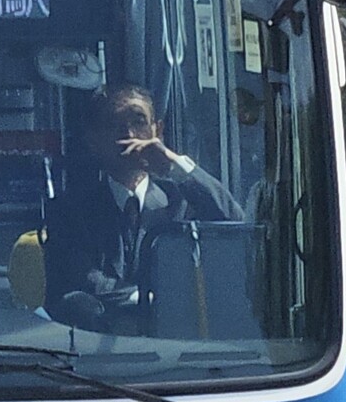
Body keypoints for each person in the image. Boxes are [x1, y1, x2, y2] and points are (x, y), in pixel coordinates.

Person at [43, 83, 242, 333]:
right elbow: (83, 280)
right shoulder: (69, 210)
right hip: (101, 350)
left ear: (157, 130)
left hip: (183, 346)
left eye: (139, 122)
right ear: (93, 140)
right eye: (114, 125)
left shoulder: (181, 200)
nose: (129, 134)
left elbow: (237, 227)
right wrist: (152, 300)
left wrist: (174, 165)